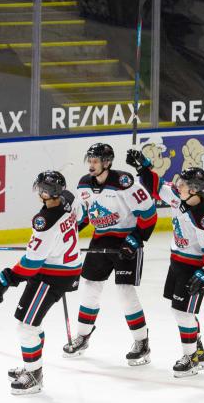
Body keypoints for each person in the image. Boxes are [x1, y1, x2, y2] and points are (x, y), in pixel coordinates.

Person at [127, 150, 204, 377]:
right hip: (177, 262)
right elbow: (157, 187)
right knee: (181, 311)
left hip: (193, 267)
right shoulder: (180, 196)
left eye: (183, 183)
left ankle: (191, 358)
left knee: (183, 313)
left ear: (194, 189)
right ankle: (198, 353)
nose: (178, 185)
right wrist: (144, 168)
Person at [0, 171, 87, 395]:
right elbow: (82, 217)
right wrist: (64, 238)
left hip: (52, 277)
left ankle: (34, 376)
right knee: (32, 323)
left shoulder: (45, 223)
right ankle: (31, 366)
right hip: (64, 270)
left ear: (45, 193)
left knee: (26, 326)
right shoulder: (68, 200)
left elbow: (32, 263)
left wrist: (7, 277)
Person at [63, 143, 157, 366]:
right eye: (90, 160)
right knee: (91, 287)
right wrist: (69, 234)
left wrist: (135, 240)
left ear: (106, 163)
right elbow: (86, 214)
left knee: (125, 291)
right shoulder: (84, 184)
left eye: (95, 161)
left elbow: (149, 213)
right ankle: (83, 336)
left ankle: (142, 342)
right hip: (102, 238)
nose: (91, 165)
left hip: (127, 238)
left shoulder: (124, 182)